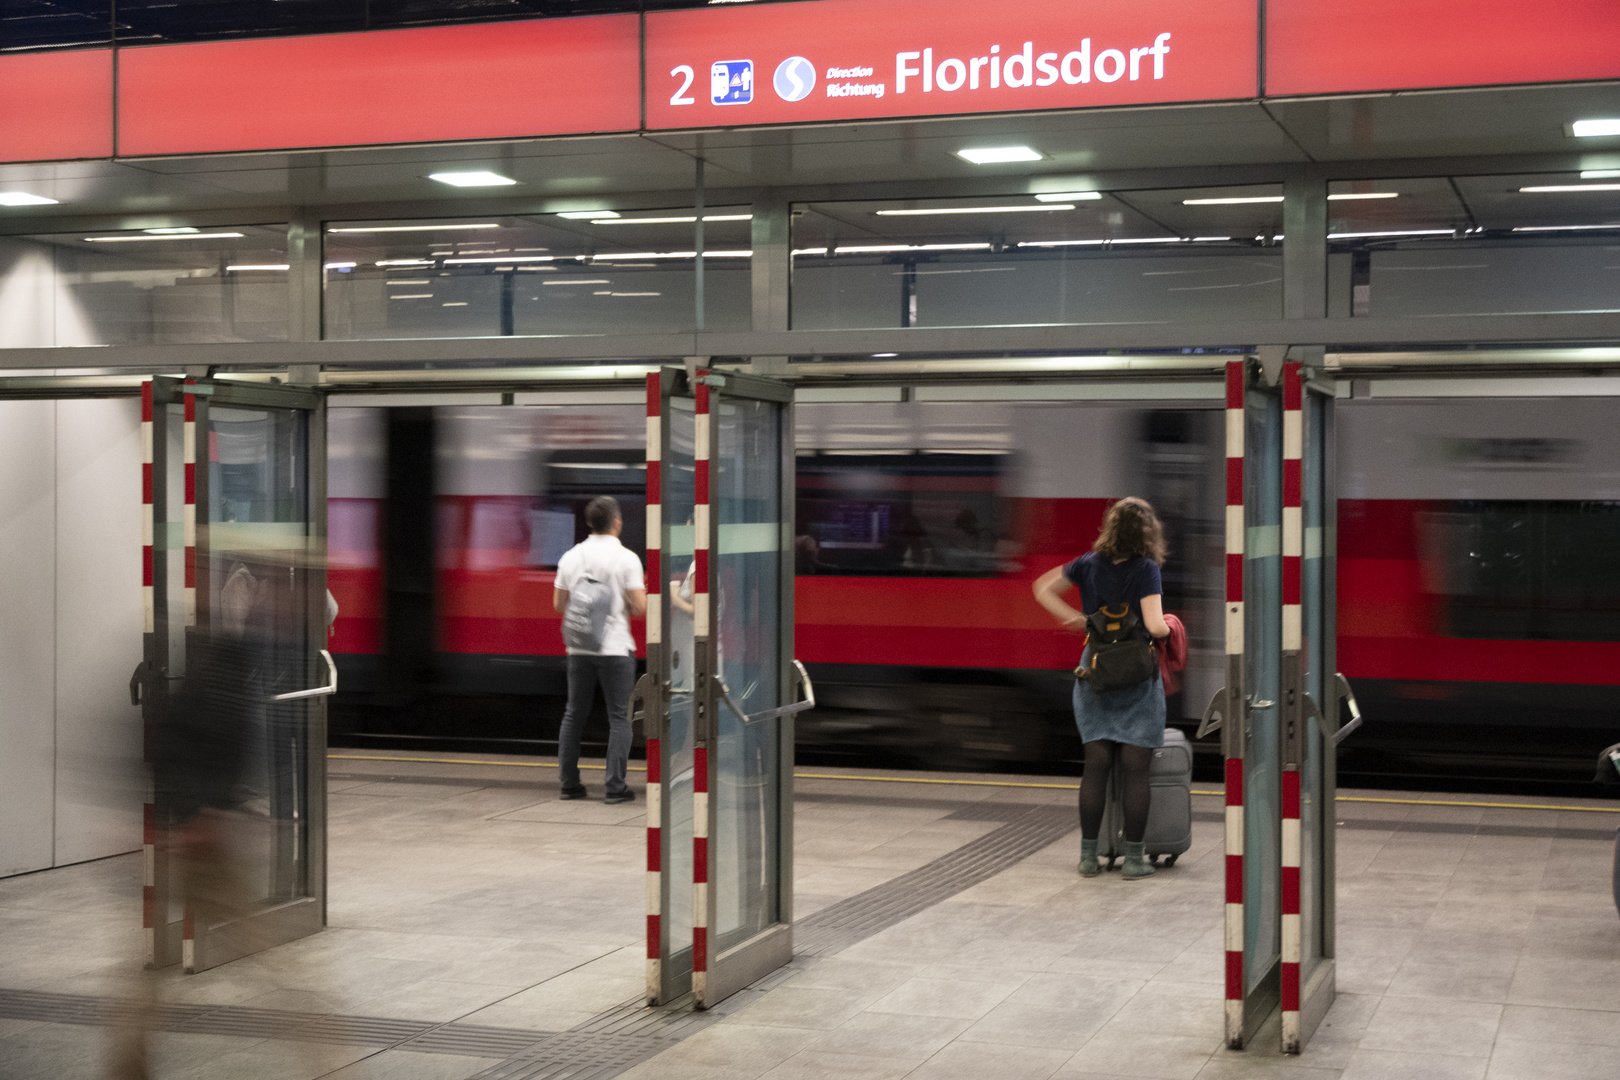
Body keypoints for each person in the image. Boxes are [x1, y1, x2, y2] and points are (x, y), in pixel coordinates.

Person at [1033, 497, 1172, 880]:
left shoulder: (1086, 564)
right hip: (1137, 678)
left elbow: (1042, 588)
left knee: (1095, 767)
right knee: (1135, 771)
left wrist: (1077, 620)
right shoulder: (1146, 569)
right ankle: (1133, 859)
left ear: (1110, 527)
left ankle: (1088, 858)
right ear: (1147, 532)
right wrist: (1171, 627)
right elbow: (1156, 626)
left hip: (1093, 671)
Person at [553, 496, 647, 804]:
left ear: (590, 523)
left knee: (573, 714)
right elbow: (640, 607)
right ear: (617, 522)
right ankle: (614, 788)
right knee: (619, 717)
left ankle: (569, 784)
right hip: (615, 649)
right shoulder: (627, 558)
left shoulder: (570, 557)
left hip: (579, 648)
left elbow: (558, 604)